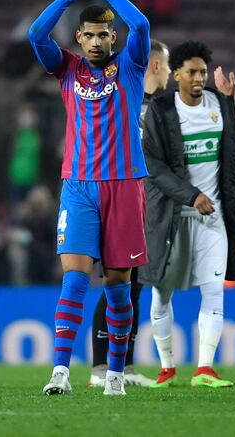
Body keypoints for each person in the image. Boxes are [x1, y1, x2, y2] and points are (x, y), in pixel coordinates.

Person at [28, 0, 150, 396]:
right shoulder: (66, 69)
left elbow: (142, 24)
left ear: (113, 38)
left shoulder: (132, 66)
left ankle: (115, 373)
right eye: (90, 36)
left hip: (125, 185)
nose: (97, 42)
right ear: (78, 38)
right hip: (78, 187)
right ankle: (60, 371)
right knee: (75, 277)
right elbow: (35, 34)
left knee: (119, 288)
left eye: (104, 35)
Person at [136, 41, 235, 389]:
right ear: (177, 75)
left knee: (214, 290)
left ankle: (204, 368)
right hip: (171, 218)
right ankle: (167, 368)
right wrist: (191, 195)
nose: (199, 78)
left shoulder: (218, 102)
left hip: (212, 217)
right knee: (161, 294)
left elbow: (228, 150)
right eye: (191, 72)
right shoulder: (160, 109)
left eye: (202, 71)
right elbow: (152, 165)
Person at [87, 38, 169, 389]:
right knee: (116, 283)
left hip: (145, 203)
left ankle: (127, 364)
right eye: (166, 65)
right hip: (120, 197)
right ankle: (99, 366)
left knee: (133, 286)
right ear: (154, 66)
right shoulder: (126, 98)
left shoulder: (159, 107)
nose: (168, 71)